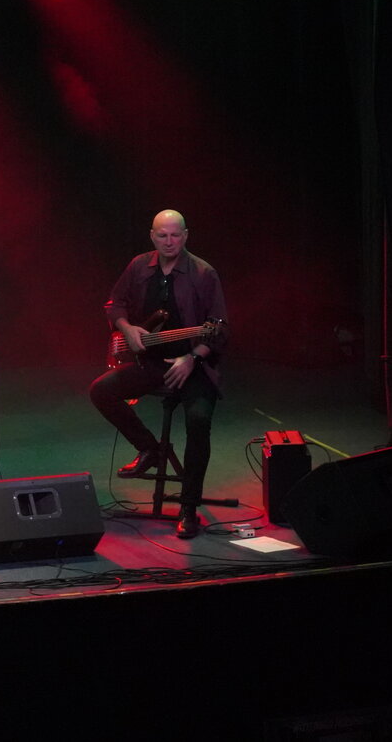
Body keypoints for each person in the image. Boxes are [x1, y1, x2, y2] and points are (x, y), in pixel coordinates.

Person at [88, 210, 228, 539]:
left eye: (175, 235)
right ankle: (151, 449)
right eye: (162, 235)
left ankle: (188, 508)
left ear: (186, 235)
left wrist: (192, 358)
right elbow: (114, 305)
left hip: (194, 366)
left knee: (198, 421)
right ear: (152, 236)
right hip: (152, 363)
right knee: (101, 391)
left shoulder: (203, 273)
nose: (169, 241)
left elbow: (220, 330)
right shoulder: (139, 266)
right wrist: (127, 328)